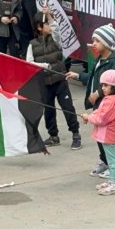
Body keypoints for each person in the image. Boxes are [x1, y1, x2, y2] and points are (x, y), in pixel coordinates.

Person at [66, 24, 115, 178]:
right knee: (100, 134)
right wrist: (78, 76)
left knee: (110, 136)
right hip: (98, 103)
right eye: (94, 40)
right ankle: (105, 161)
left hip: (107, 103)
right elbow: (94, 77)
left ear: (106, 43)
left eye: (97, 41)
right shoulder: (100, 59)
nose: (93, 43)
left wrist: (98, 92)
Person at [27, 12, 82, 150]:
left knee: (68, 107)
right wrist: (43, 66)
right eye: (46, 24)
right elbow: (29, 63)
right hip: (44, 83)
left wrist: (49, 16)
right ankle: (53, 135)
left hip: (60, 80)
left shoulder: (56, 39)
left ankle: (75, 134)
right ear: (39, 27)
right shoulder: (32, 45)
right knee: (49, 110)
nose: (49, 26)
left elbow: (56, 29)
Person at [81, 70, 115, 196]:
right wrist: (91, 115)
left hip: (107, 134)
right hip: (108, 133)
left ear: (114, 87)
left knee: (112, 161)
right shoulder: (112, 99)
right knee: (111, 159)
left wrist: (88, 117)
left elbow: (101, 119)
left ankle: (114, 184)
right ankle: (111, 181)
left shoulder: (110, 101)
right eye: (102, 85)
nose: (102, 88)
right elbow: (100, 112)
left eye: (106, 85)